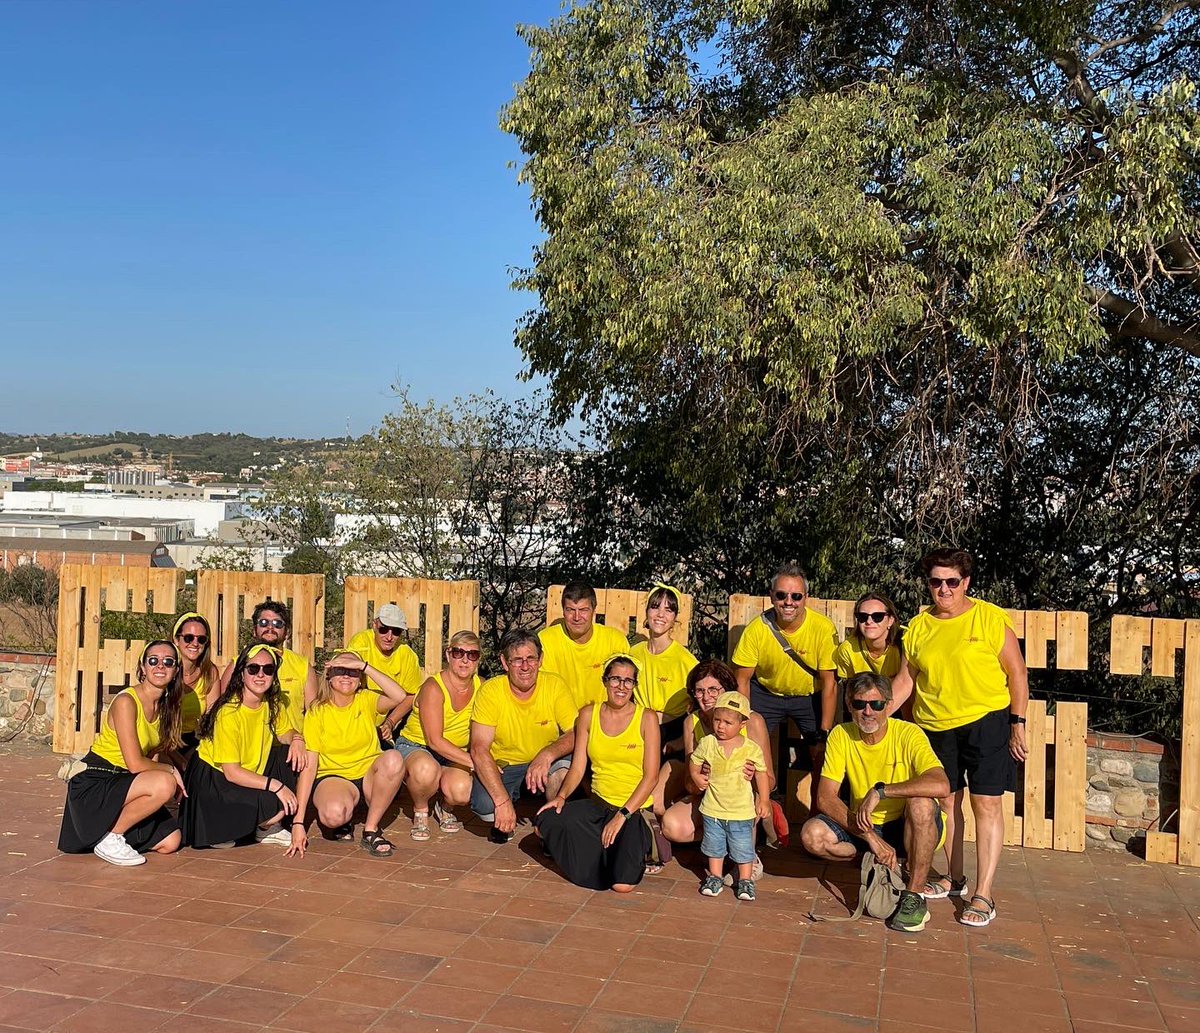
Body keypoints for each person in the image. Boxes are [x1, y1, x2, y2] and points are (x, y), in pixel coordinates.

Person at [903, 547, 1029, 928]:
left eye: (951, 582)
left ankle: (984, 894)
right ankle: (954, 878)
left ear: (966, 583)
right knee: (947, 804)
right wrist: (869, 712)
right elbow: (906, 682)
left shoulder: (990, 619)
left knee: (985, 804)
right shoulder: (918, 627)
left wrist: (1017, 723)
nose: (943, 589)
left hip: (986, 721)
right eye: (936, 582)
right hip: (936, 727)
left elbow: (1017, 674)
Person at [799, 672, 951, 933]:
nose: (868, 712)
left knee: (922, 803)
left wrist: (881, 792)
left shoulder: (908, 733)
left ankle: (914, 896)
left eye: (876, 704)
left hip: (905, 824)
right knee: (812, 835)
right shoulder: (840, 735)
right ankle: (871, 858)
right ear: (849, 706)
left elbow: (942, 785)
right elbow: (825, 796)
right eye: (859, 704)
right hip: (865, 824)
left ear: (889, 706)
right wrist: (870, 838)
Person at [536, 655, 661, 891]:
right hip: (598, 804)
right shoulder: (587, 715)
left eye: (628, 681)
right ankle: (601, 851)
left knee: (622, 886)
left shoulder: (647, 718)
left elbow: (651, 777)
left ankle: (645, 842)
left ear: (635, 685)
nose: (621, 687)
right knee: (547, 821)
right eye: (615, 679)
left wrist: (622, 815)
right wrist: (561, 797)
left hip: (632, 808)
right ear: (605, 681)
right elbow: (578, 766)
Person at [57, 641, 185, 866]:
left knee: (171, 841)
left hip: (125, 782)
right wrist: (170, 771)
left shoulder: (166, 707)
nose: (160, 666)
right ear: (143, 667)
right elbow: (136, 763)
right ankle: (111, 836)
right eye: (153, 660)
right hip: (98, 779)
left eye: (168, 662)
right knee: (165, 782)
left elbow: (152, 754)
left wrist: (154, 797)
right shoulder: (126, 701)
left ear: (175, 671)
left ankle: (106, 832)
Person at [181, 643, 309, 849]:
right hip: (216, 779)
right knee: (276, 804)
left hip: (247, 771)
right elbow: (231, 772)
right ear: (241, 673)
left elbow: (286, 732)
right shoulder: (229, 712)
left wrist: (297, 739)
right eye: (253, 668)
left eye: (268, 669)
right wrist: (277, 786)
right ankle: (238, 824)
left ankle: (261, 827)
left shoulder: (271, 703)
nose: (261, 675)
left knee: (298, 757)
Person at [731, 562, 838, 809]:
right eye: (781, 595)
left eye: (796, 596)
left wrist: (823, 732)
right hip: (766, 693)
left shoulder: (822, 628)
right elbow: (743, 680)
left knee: (822, 756)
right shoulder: (757, 629)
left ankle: (819, 815)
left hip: (809, 696)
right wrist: (744, 722)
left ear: (806, 598)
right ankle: (754, 810)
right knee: (746, 751)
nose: (788, 602)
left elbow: (830, 684)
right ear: (771, 596)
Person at [286, 653, 409, 859]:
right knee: (333, 815)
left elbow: (399, 695)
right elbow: (310, 764)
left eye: (352, 671)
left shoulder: (366, 699)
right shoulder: (317, 711)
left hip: (369, 775)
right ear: (329, 676)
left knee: (394, 758)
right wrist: (298, 822)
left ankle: (370, 829)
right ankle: (346, 818)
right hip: (334, 776)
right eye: (339, 670)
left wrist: (364, 665)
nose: (346, 676)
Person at [469, 629, 577, 844]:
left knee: (562, 772)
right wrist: (501, 802)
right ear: (504, 662)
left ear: (541, 659)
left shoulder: (555, 685)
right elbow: (479, 748)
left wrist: (547, 755)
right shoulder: (490, 691)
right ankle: (507, 807)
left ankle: (552, 831)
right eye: (517, 660)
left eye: (531, 658)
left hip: (544, 764)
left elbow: (576, 732)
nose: (525, 666)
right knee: (486, 806)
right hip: (506, 766)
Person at [660, 660, 773, 853]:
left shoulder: (751, 721)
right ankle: (718, 842)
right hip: (710, 797)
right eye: (700, 690)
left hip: (744, 796)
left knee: (747, 805)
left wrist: (754, 775)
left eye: (713, 690)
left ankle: (748, 858)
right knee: (672, 826)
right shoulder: (691, 723)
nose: (706, 697)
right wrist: (699, 776)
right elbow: (689, 783)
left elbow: (770, 780)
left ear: (726, 690)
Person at [393, 630, 482, 842]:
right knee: (426, 771)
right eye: (459, 653)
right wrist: (477, 762)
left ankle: (445, 806)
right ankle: (421, 809)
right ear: (448, 654)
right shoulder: (433, 687)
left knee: (462, 791)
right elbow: (434, 740)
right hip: (417, 746)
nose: (464, 660)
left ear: (479, 659)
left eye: (472, 655)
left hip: (454, 752)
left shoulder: (482, 687)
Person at [690, 691, 770, 900]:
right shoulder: (708, 742)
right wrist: (696, 776)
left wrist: (764, 799)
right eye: (717, 720)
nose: (721, 726)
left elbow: (762, 772)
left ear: (742, 725)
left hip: (741, 811)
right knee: (714, 846)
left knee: (743, 848)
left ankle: (745, 880)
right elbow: (695, 760)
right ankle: (715, 877)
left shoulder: (750, 748)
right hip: (713, 809)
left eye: (728, 722)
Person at [220, 600, 316, 735]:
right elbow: (223, 706)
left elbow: (313, 715)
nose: (270, 627)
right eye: (263, 623)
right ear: (254, 630)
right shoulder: (238, 664)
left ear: (287, 632)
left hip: (289, 745)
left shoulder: (303, 666)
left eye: (277, 624)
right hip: (248, 743)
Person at [539, 581, 630, 710]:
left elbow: (626, 688)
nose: (577, 617)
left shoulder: (615, 641)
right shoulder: (546, 640)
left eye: (583, 610)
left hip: (604, 719)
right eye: (570, 610)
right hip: (560, 719)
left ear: (594, 610)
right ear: (563, 611)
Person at [346, 603, 423, 741]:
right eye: (384, 629)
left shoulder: (407, 654)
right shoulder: (361, 641)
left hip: (391, 714)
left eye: (396, 631)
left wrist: (391, 722)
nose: (389, 636)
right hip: (361, 711)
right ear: (374, 625)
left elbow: (411, 695)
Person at [833, 593, 905, 686]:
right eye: (863, 617)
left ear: (890, 621)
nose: (869, 621)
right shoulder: (848, 650)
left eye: (878, 616)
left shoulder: (904, 646)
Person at [174, 611, 221, 751]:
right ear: (176, 640)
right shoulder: (165, 670)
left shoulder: (209, 672)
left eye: (201, 639)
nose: (195, 643)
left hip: (192, 740)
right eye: (188, 638)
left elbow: (211, 716)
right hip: (162, 740)